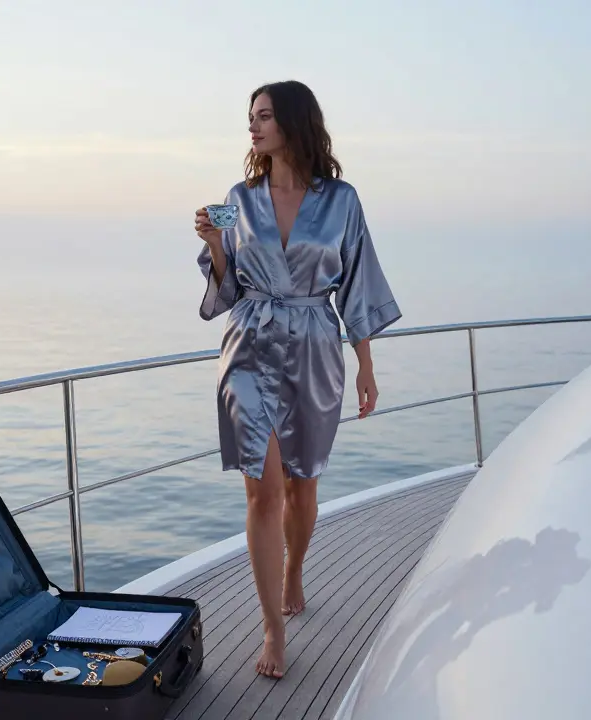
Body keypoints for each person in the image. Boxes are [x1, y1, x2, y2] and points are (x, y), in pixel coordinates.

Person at [193, 80, 402, 678]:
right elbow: (225, 285)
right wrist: (215, 244)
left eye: (263, 117)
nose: (253, 128)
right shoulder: (238, 197)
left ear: (292, 122)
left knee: (302, 486)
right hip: (250, 346)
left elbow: (359, 281)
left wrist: (366, 365)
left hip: (314, 346)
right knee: (262, 488)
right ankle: (272, 629)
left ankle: (293, 569)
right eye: (250, 118)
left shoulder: (342, 200)